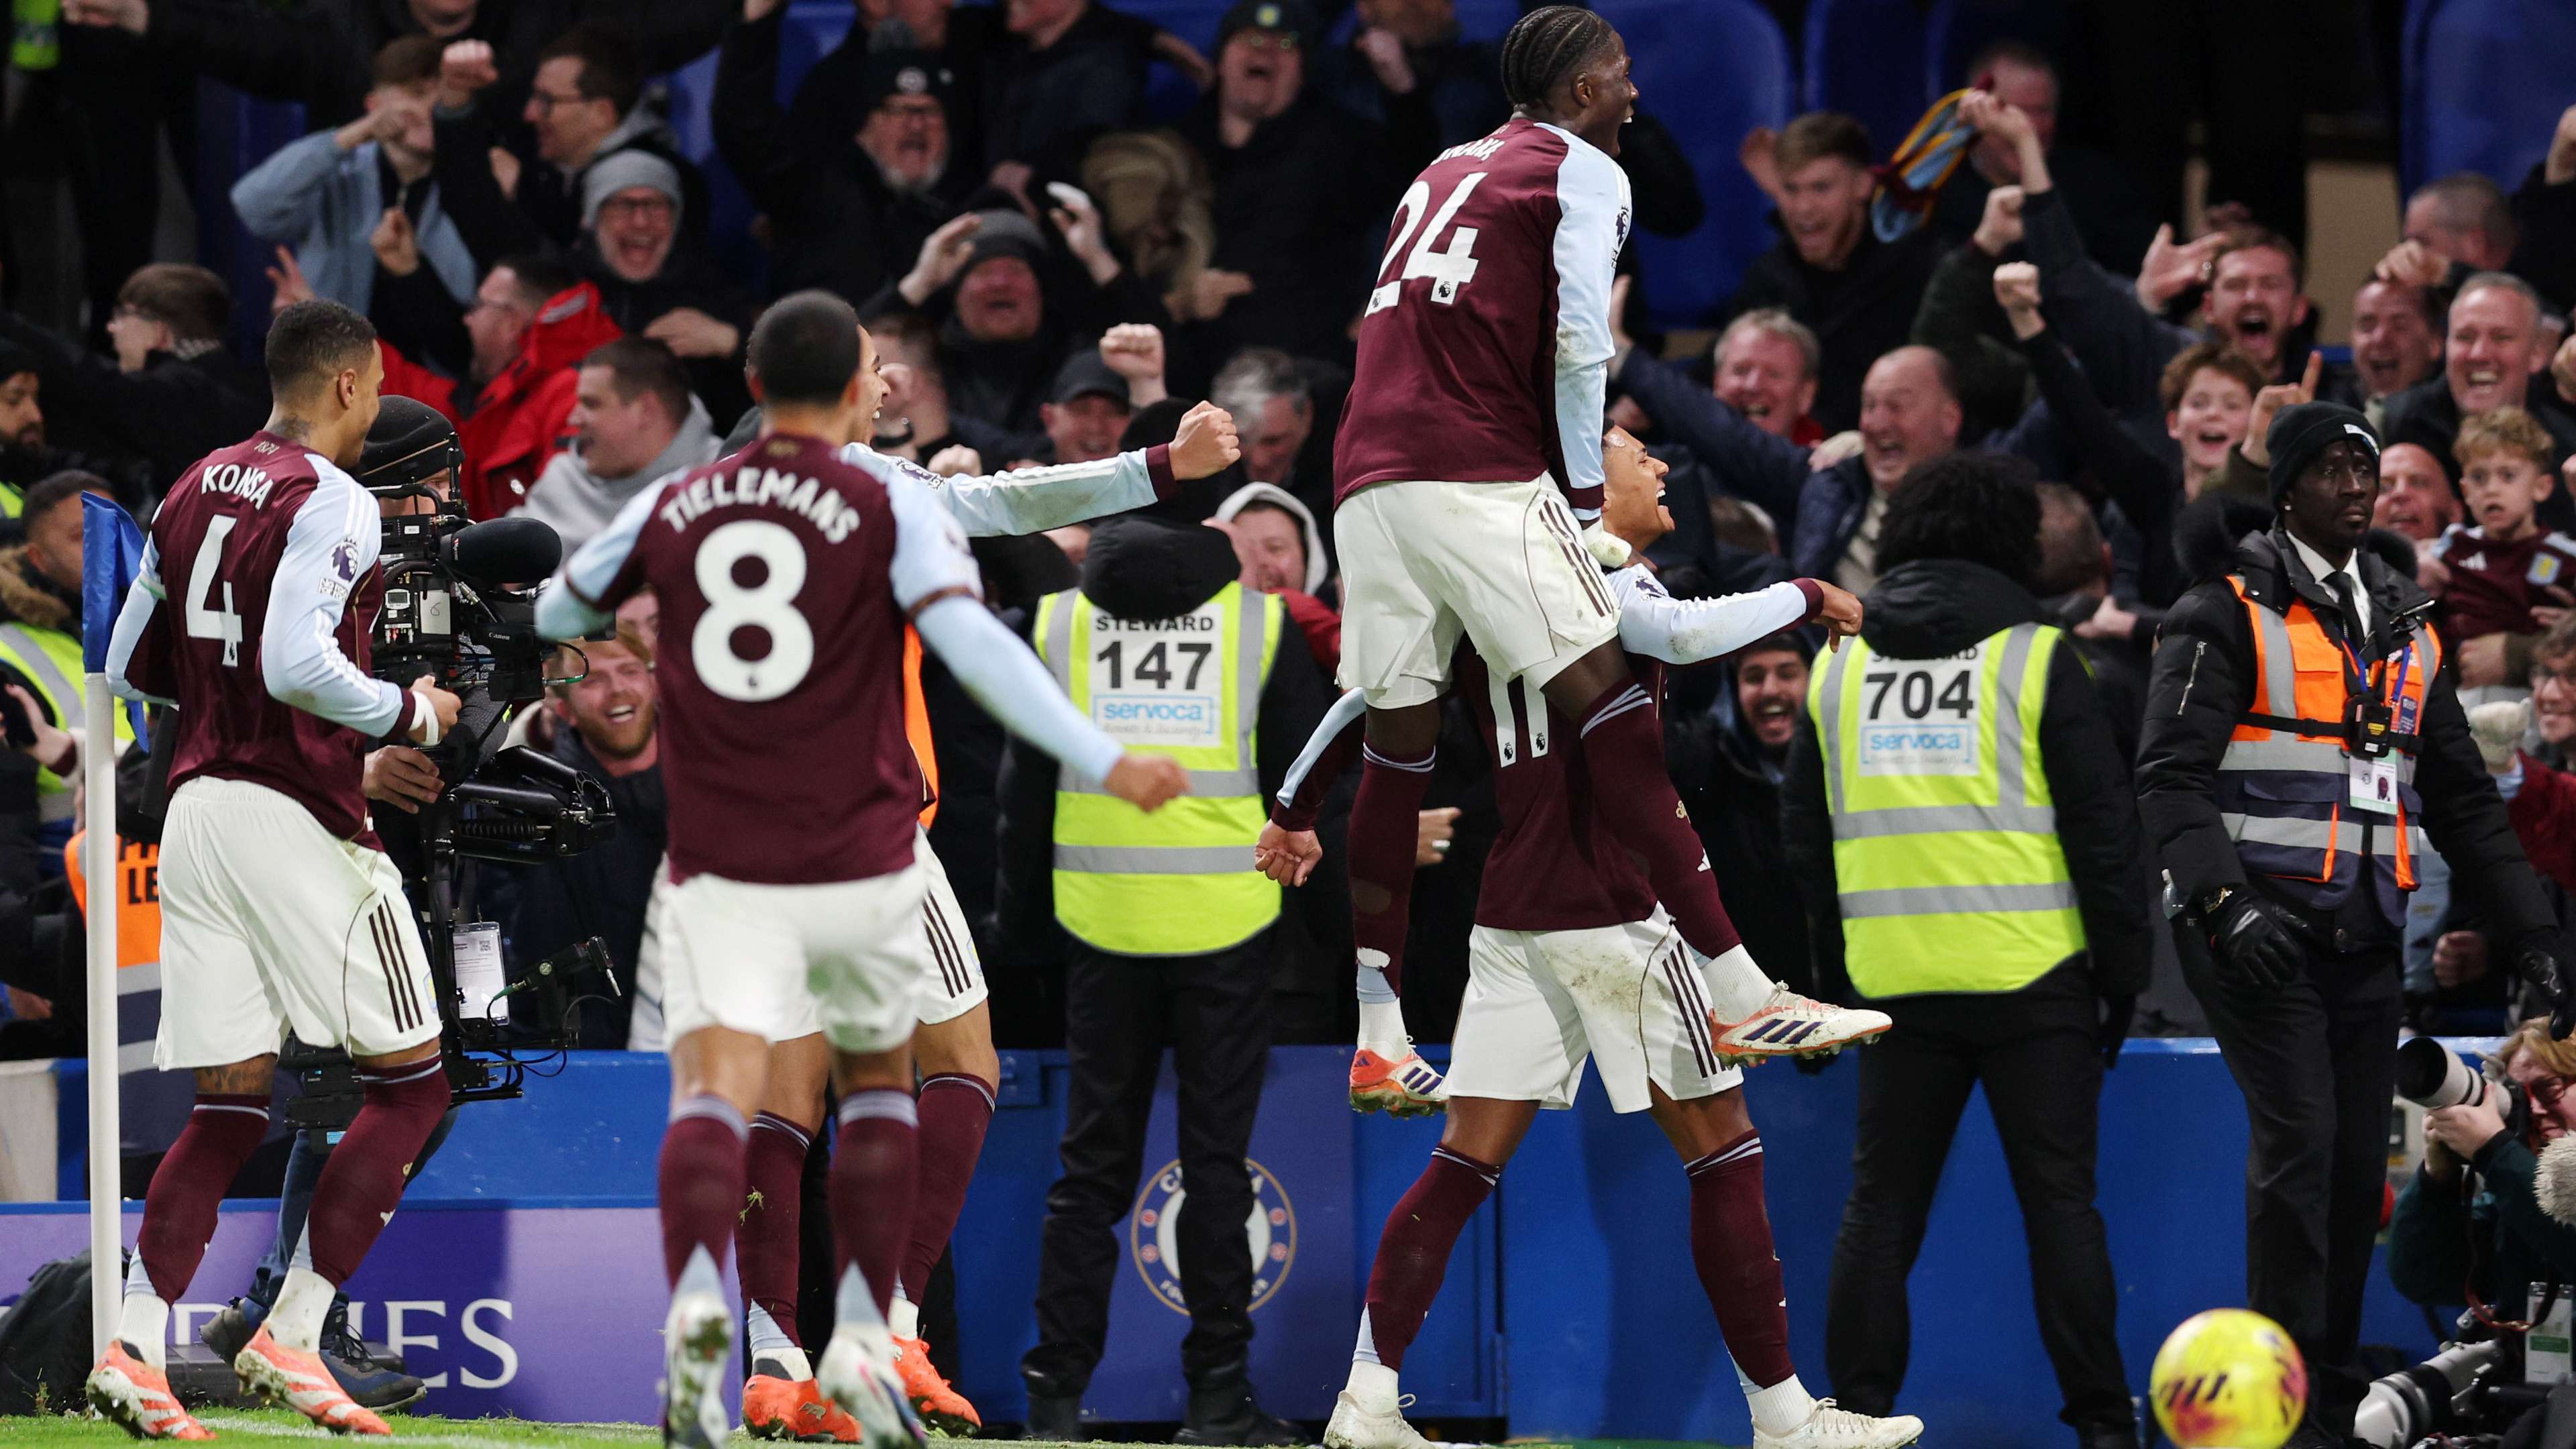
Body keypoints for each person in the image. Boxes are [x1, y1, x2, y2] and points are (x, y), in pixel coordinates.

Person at [533, 289, 1189, 1449]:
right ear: (845, 388)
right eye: (878, 368)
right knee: (949, 1068)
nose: (890, 385)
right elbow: (1000, 526)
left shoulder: (687, 496)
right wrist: (1156, 470)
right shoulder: (881, 493)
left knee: (765, 1097)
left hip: (728, 841)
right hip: (860, 835)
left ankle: (768, 1354)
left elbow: (563, 599)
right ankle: (880, 1329)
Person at [1266, 430, 1910, 1449]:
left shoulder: (1477, 582)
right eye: (1634, 452)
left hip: (1513, 908)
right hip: (1611, 907)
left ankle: (1367, 1399)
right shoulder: (1581, 571)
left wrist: (1295, 804)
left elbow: (1366, 696)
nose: (1659, 466)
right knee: (1724, 1151)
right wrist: (1803, 594)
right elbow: (1684, 636)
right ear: (1578, 482)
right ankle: (1787, 1420)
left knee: (1463, 1164)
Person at [1325, 5, 1864, 1109]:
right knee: (1613, 705)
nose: (1632, 94)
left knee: (1398, 752)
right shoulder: (1581, 169)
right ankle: (1742, 984)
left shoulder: (1440, 166)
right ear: (1579, 92)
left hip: (1365, 473)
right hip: (1473, 471)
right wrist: (1575, 505)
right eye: (1620, 77)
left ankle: (1377, 1031)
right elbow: (1582, 345)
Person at [2135, 400, 2571, 1436]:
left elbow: (2465, 800)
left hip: (2367, 930)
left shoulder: (2408, 621)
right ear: (2285, 487)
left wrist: (2537, 935)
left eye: (2364, 467)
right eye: (2329, 466)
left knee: (2342, 1172)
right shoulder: (2225, 608)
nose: (2355, 484)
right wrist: (2222, 897)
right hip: (2253, 928)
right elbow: (2166, 776)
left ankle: (2323, 1399)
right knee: (2301, 1147)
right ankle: (2282, 1410)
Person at [89, 299, 464, 1439]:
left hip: (194, 813)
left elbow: (124, 661)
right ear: (354, 384)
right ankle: (295, 1336)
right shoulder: (335, 498)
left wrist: (212, 713)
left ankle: (134, 1346)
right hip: (296, 812)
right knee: (413, 1085)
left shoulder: (198, 481)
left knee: (228, 1106)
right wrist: (414, 711)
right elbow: (302, 664)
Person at [1778, 454, 2147, 1448]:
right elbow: (2105, 841)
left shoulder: (1838, 666)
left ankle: (1853, 1418)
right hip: (2038, 984)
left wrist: (1832, 983)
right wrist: (2123, 981)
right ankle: (2106, 1429)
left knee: (1879, 1216)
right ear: (2010, 541)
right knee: (2061, 1209)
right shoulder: (2038, 656)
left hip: (1894, 988)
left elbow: (1805, 849)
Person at [1000, 505, 1334, 1445]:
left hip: (1098, 922)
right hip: (1228, 925)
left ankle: (1054, 1402)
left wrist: (1017, 929)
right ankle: (1218, 1402)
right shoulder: (1258, 623)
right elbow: (1304, 788)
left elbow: (1025, 790)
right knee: (1216, 1171)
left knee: (1087, 1175)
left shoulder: (1060, 621)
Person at [1174, 0, 1399, 366]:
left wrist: (1402, 93)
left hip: (1306, 362)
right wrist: (1181, 294)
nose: (1264, 51)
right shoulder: (1176, 147)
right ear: (1220, 57)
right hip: (1197, 358)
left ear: (1303, 69)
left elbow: (1419, 186)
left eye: (1284, 45)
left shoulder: (1341, 144)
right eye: (1249, 38)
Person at [713, 0, 973, 308]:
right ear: (864, 129)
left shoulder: (961, 216)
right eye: (898, 111)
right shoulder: (816, 193)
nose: (916, 125)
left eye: (929, 112)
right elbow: (745, 122)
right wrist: (757, 24)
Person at [228, 36, 478, 317]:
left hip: (439, 358)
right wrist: (348, 138)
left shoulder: (479, 181)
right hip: (339, 356)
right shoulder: (335, 173)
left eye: (443, 96)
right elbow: (254, 206)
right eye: (417, 94)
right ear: (373, 106)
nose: (431, 109)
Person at [1727, 111, 1938, 434]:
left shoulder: (1914, 269)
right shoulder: (1771, 276)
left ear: (1864, 185)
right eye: (1791, 190)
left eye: (1821, 188)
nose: (1803, 208)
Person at [370, 251, 625, 517]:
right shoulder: (498, 399)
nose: (467, 320)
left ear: (511, 324)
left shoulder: (569, 393)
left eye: (477, 306)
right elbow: (414, 392)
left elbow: (565, 515)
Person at [506, 625, 663, 1047]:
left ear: (655, 681)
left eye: (629, 670)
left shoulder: (714, 784)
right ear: (564, 709)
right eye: (592, 679)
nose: (617, 690)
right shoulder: (540, 813)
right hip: (588, 1053)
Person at [427, 28, 710, 259]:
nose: (530, 114)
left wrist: (516, 193)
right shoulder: (550, 175)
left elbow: (521, 258)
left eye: (546, 101)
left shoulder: (654, 185)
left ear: (601, 112)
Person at [0, 263, 270, 489]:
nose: (111, 328)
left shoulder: (178, 392)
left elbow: (85, 376)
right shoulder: (258, 386)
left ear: (159, 332)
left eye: (122, 315)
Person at [2388, 1019, 2576, 1315]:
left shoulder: (2512, 1176)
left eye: (2548, 1087)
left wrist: (2495, 1150)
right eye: (2521, 1098)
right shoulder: (2511, 1197)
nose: (2534, 1111)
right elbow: (2424, 1278)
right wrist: (2437, 1181)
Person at [515, 338, 721, 553]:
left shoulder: (723, 484)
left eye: (591, 403)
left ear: (646, 410)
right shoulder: (563, 479)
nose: (573, 419)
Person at [2383, 272, 2576, 496]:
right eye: (2465, 337)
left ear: (2536, 354)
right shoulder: (2393, 426)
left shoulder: (2565, 450)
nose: (2479, 354)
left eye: (2501, 337)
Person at [2429, 406, 2576, 670]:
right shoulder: (2452, 546)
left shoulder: (2564, 556)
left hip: (2532, 695)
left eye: (2508, 476)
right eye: (2479, 478)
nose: (2492, 490)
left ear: (2542, 487)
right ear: (2465, 491)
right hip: (2458, 693)